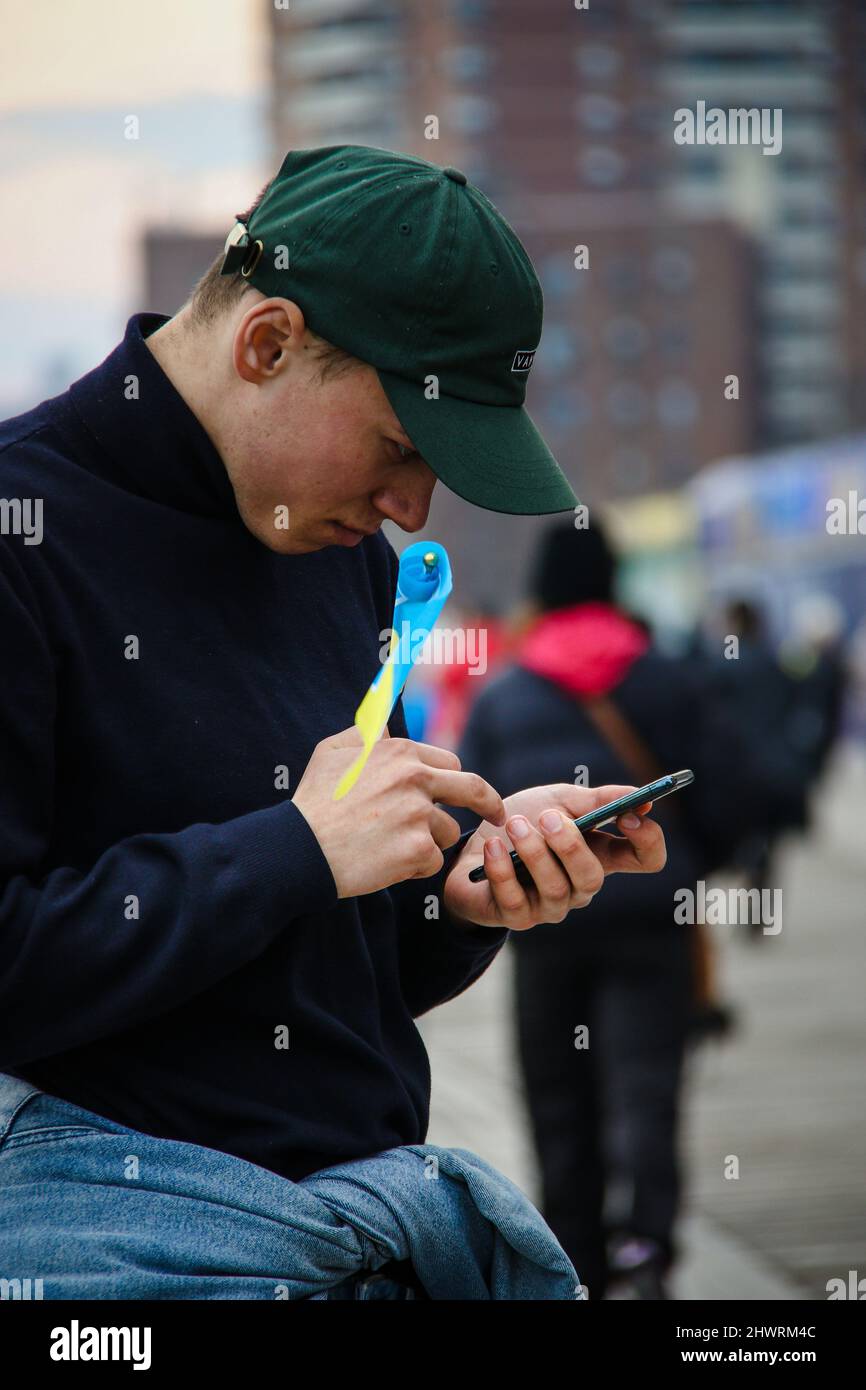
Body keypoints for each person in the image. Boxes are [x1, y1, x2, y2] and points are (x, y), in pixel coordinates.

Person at [0, 146, 667, 1299]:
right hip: (118, 1260)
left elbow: (320, 969)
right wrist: (293, 847)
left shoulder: (337, 554)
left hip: (371, 1224)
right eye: (401, 446)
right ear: (267, 344)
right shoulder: (24, 540)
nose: (410, 506)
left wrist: (459, 891)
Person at [451, 518, 745, 1299]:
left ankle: (573, 1263)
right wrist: (683, 866)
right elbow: (730, 790)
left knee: (557, 1095)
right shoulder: (667, 676)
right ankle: (646, 1251)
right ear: (613, 581)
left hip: (547, 928)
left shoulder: (506, 691)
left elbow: (472, 816)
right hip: (653, 926)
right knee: (645, 1088)